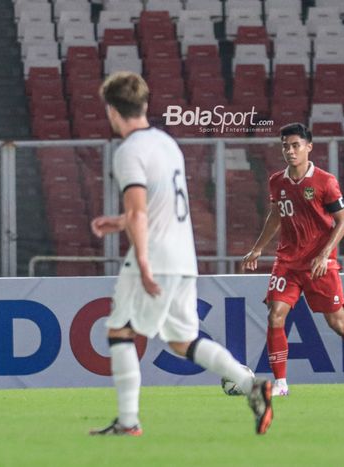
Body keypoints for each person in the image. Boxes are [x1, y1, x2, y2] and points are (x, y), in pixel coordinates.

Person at [88, 71, 273, 436]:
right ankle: (251, 384)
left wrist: (142, 260)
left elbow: (142, 213)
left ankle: (128, 422)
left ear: (112, 111)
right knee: (181, 340)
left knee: (120, 330)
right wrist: (120, 221)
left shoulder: (128, 151)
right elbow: (157, 206)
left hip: (155, 254)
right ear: (144, 104)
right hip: (184, 257)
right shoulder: (166, 143)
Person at [240, 122, 344, 397]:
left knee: (338, 323)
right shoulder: (277, 181)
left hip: (320, 264)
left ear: (308, 147)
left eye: (295, 146)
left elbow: (343, 222)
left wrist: (324, 254)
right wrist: (258, 248)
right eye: (285, 146)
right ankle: (281, 384)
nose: (290, 151)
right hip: (288, 262)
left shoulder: (325, 181)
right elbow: (276, 215)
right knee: (275, 315)